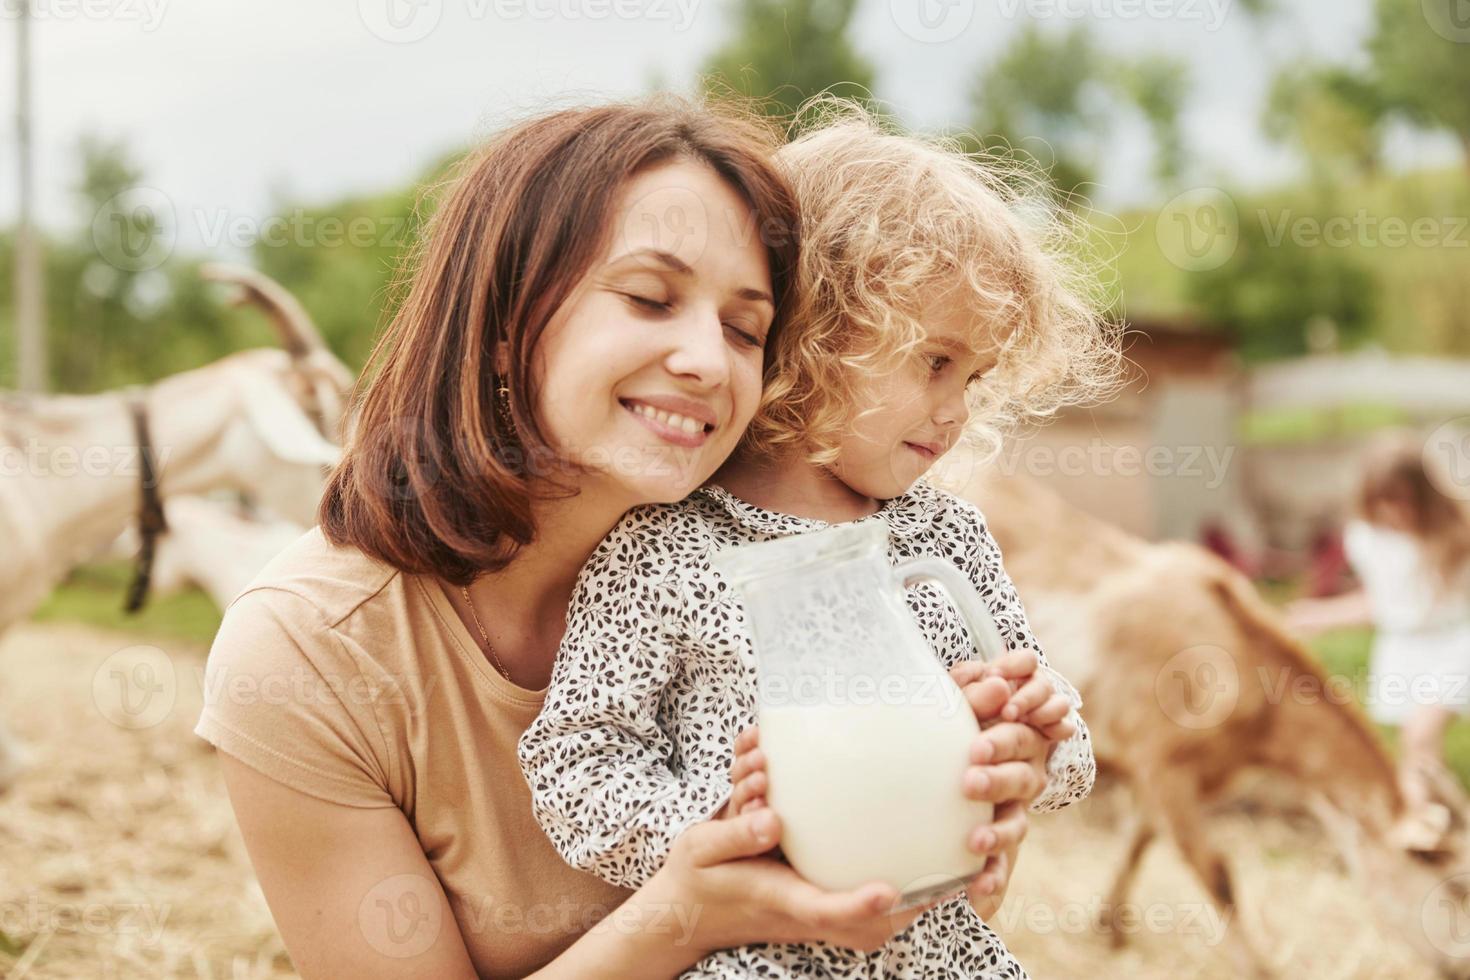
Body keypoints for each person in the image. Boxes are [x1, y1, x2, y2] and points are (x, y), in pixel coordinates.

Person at [194, 96, 1052, 980]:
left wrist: (973, 805)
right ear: (501, 323)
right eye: (650, 298)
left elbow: (933, 911)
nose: (706, 361)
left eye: (744, 328)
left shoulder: (811, 577)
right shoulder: (307, 658)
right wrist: (684, 917)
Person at [518, 106, 1120, 978]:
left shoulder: (947, 535)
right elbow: (577, 761)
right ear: (819, 332)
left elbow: (1050, 740)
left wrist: (1040, 740)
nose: (955, 411)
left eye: (976, 378)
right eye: (935, 362)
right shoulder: (667, 549)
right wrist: (726, 831)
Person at [1289, 430, 1470, 828]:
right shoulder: (1369, 539)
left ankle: (1423, 821)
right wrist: (1318, 616)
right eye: (1383, 501)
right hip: (1405, 649)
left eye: (1402, 499)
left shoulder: (1455, 535)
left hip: (1456, 644)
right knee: (1417, 752)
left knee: (1420, 735)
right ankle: (1430, 827)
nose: (1393, 511)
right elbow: (1384, 605)